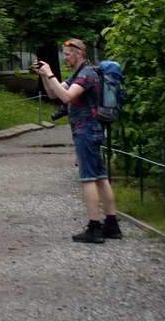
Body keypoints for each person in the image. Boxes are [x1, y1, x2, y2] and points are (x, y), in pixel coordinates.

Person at [34, 39, 122, 244]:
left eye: (68, 54)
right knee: (100, 176)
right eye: (63, 53)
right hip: (88, 130)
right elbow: (53, 93)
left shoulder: (87, 74)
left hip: (87, 130)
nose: (65, 57)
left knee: (88, 178)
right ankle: (112, 224)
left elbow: (66, 97)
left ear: (80, 53)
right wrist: (45, 77)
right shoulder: (77, 74)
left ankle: (94, 228)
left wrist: (51, 74)